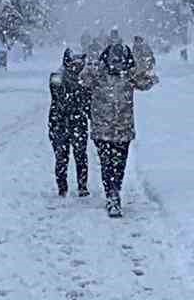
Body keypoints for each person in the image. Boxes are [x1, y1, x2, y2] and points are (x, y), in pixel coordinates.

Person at [81, 30, 157, 218]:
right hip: (103, 129)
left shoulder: (129, 75)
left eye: (120, 59)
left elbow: (145, 82)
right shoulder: (98, 74)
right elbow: (83, 79)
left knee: (119, 163)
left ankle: (115, 190)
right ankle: (112, 194)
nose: (117, 63)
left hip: (122, 129)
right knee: (107, 163)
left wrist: (147, 70)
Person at [49, 48, 91, 197]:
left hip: (78, 121)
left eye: (80, 63)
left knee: (80, 155)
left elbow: (88, 103)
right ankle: (62, 187)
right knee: (61, 156)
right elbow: (59, 98)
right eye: (74, 63)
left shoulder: (85, 80)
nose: (77, 66)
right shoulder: (57, 77)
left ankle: (82, 186)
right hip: (59, 122)